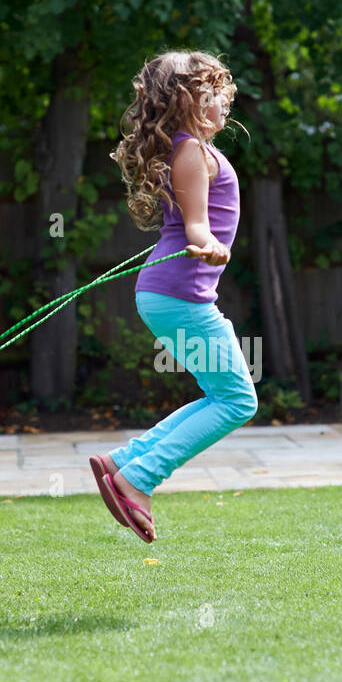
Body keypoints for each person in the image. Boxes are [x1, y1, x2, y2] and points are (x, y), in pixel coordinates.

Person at [90, 50, 258, 542]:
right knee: (236, 401)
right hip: (180, 296)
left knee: (224, 394)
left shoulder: (189, 148)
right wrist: (210, 248)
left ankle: (124, 460)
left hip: (174, 295)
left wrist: (208, 248)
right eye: (215, 93)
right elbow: (197, 226)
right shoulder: (190, 153)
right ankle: (138, 478)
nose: (226, 101)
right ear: (188, 101)